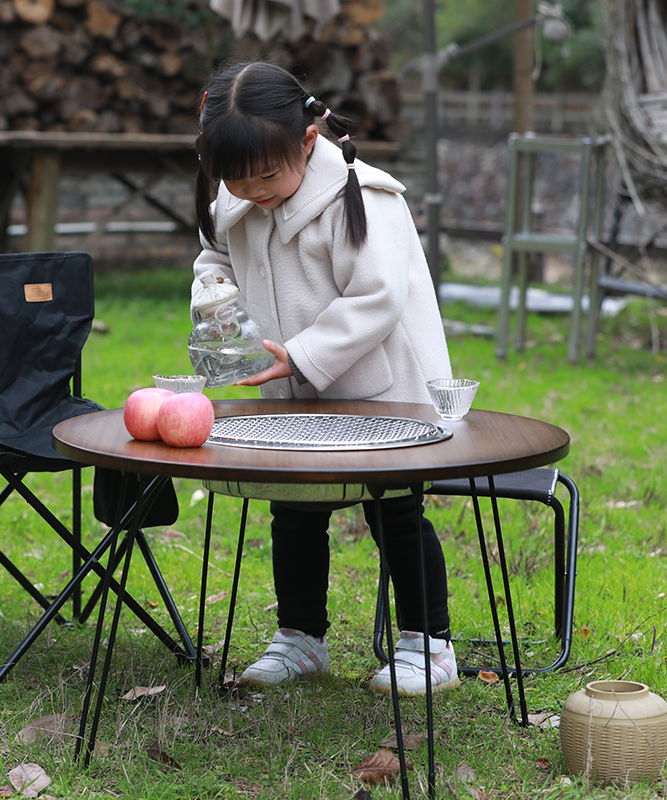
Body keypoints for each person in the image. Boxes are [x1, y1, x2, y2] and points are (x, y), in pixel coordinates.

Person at [191, 60, 459, 697]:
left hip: (379, 387)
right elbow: (214, 257)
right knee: (294, 509)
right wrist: (218, 295)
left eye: (265, 176)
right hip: (294, 393)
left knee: (395, 510)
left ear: (307, 141)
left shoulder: (362, 196)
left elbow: (378, 296)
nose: (253, 191)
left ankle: (430, 644)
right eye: (236, 179)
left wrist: (302, 353)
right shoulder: (240, 195)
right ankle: (302, 638)